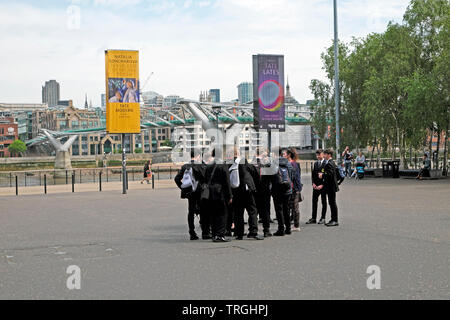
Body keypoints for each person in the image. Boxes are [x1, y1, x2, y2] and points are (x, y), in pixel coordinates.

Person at [228, 148, 263, 241]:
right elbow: (253, 171)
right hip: (246, 189)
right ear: (238, 153)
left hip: (236, 190)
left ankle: (239, 233)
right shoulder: (243, 160)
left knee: (238, 213)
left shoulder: (228, 163)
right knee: (252, 210)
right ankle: (253, 231)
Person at [174, 150, 206, 240]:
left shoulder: (185, 166)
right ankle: (205, 232)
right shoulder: (201, 166)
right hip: (200, 192)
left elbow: (176, 178)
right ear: (198, 156)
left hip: (190, 192)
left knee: (191, 212)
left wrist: (183, 188)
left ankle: (192, 232)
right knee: (203, 211)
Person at [203, 149, 233, 242]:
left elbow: (205, 179)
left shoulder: (208, 166)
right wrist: (230, 195)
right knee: (222, 214)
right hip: (220, 192)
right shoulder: (223, 165)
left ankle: (214, 234)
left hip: (210, 193)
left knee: (213, 214)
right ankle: (220, 235)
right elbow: (227, 182)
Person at [252, 148, 274, 238]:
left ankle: (253, 230)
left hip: (254, 190)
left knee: (253, 211)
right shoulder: (267, 165)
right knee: (265, 211)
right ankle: (266, 230)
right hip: (265, 190)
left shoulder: (251, 164)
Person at [272, 149, 294, 236]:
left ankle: (281, 229)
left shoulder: (273, 164)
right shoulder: (288, 163)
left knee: (279, 210)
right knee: (286, 209)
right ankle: (288, 229)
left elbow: (271, 178)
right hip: (287, 189)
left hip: (277, 190)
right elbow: (291, 175)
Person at [319, 149, 339, 227]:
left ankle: (334, 220)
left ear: (329, 155)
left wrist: (322, 175)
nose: (324, 156)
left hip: (331, 186)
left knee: (332, 203)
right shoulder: (331, 162)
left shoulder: (329, 163)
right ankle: (333, 219)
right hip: (332, 186)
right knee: (332, 203)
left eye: (325, 154)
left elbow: (330, 175)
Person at [306, 149, 328, 225]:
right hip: (315, 186)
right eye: (317, 155)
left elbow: (327, 176)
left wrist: (322, 185)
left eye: (319, 154)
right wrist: (313, 183)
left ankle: (323, 218)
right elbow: (313, 174)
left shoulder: (326, 164)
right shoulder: (315, 163)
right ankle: (313, 218)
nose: (318, 156)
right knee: (314, 201)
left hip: (323, 186)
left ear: (323, 154)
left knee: (323, 202)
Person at [286, 148, 302, 232]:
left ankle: (296, 225)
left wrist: (297, 188)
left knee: (294, 207)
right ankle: (294, 224)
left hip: (293, 188)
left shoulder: (291, 164)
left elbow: (295, 177)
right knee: (293, 207)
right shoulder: (295, 164)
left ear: (289, 155)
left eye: (285, 154)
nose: (283, 155)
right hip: (294, 188)